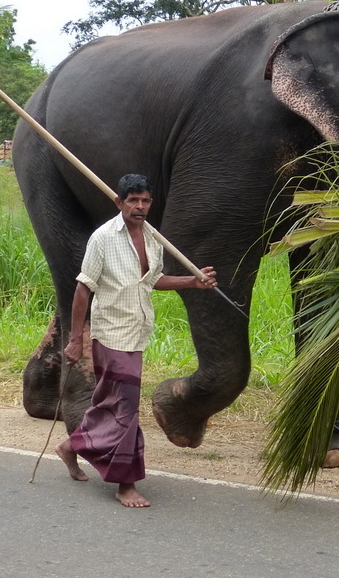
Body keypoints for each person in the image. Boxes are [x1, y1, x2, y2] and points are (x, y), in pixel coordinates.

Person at [55, 174, 217, 508]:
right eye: (132, 200)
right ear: (119, 202)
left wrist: (192, 281)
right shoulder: (103, 238)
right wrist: (75, 340)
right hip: (110, 334)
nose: (139, 206)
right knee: (126, 409)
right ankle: (125, 483)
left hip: (137, 332)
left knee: (108, 403)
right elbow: (83, 288)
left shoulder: (154, 238)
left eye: (144, 200)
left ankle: (72, 447)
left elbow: (153, 281)